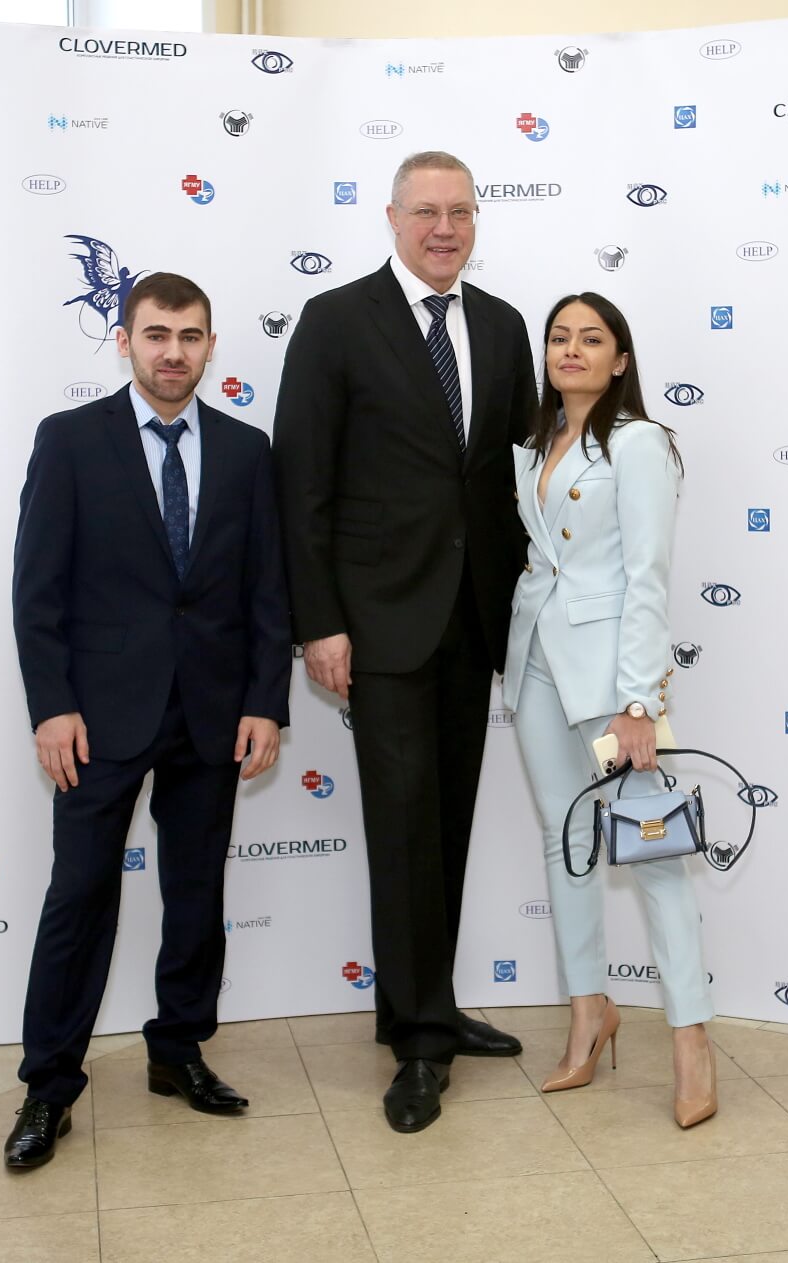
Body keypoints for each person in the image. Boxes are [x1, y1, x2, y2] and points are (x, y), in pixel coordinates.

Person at [272, 152, 536, 1133]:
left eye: (460, 211)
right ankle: (420, 1045)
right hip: (377, 625)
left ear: (476, 221)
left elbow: (507, 479)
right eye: (426, 211)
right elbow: (302, 482)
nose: (444, 228)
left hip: (474, 619)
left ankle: (428, 1005)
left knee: (448, 825)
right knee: (402, 829)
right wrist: (318, 622)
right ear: (391, 217)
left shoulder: (503, 325)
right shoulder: (337, 320)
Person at [6, 273, 291, 1168]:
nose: (174, 352)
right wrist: (52, 706)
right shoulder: (70, 440)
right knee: (80, 895)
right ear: (125, 340)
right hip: (97, 717)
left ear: (211, 347)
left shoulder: (247, 450)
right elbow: (36, 590)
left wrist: (266, 701)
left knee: (196, 891)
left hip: (212, 710)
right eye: (158, 334)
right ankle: (48, 1086)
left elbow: (268, 591)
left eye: (191, 336)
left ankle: (178, 1049)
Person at [502, 292, 717, 1128]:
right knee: (567, 843)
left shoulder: (638, 443)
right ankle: (589, 1012)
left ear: (620, 359)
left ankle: (691, 1039)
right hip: (536, 662)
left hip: (610, 678)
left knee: (653, 850)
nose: (572, 349)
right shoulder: (534, 445)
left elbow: (647, 577)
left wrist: (638, 701)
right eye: (559, 337)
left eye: (591, 338)